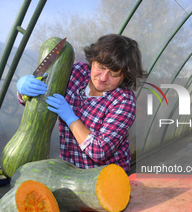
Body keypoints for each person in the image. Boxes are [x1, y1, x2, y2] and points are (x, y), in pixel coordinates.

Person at [16, 34, 146, 173]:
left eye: (114, 74)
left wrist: (71, 119)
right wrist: (24, 92)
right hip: (70, 170)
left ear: (125, 76)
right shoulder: (76, 73)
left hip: (106, 176)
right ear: (92, 60)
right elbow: (41, 104)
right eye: (100, 67)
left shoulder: (124, 101)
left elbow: (99, 151)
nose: (103, 78)